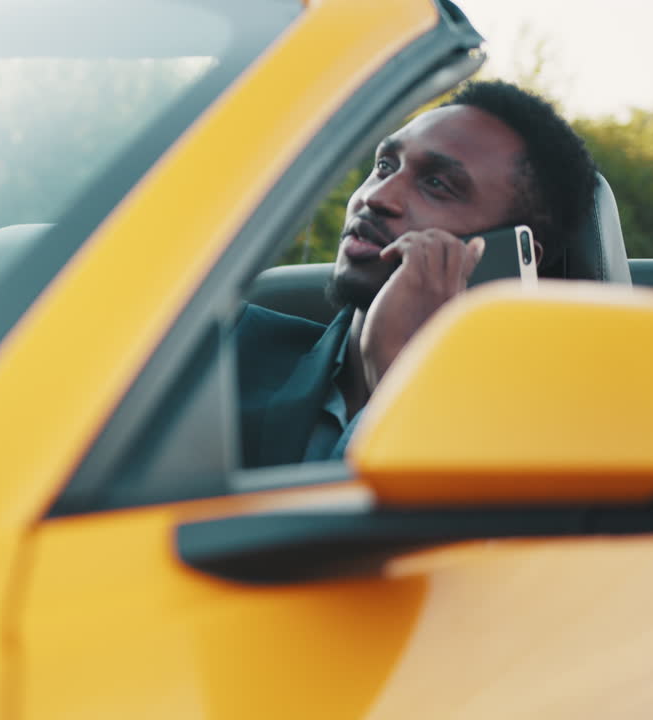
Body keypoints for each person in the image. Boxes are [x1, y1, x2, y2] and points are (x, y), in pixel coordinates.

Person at [236, 80, 598, 468]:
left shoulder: (538, 446)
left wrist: (400, 381)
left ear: (505, 256)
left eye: (437, 185)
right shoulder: (228, 349)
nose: (376, 197)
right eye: (384, 166)